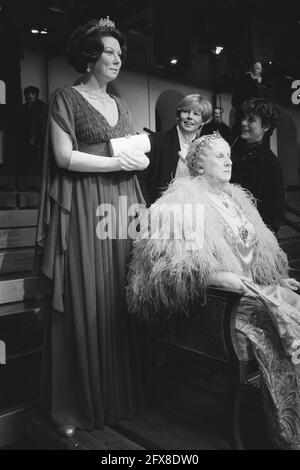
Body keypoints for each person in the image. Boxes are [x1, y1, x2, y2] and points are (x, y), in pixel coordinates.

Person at [126, 132, 300, 449]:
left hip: (255, 293)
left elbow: (259, 258)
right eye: (219, 156)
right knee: (292, 326)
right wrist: (218, 277)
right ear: (198, 163)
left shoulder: (238, 202)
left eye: (229, 155)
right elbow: (171, 269)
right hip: (220, 306)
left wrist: (277, 280)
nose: (229, 160)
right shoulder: (177, 206)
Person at [35, 17, 149, 437]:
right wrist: (118, 161)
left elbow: (135, 148)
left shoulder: (123, 105)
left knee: (117, 297)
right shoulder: (66, 97)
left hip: (121, 205)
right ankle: (77, 401)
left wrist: (137, 161)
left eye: (120, 54)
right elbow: (64, 157)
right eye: (109, 52)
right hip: (84, 204)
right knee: (87, 294)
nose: (117, 59)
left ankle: (116, 398)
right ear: (89, 56)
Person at [138, 94, 212, 206]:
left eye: (196, 114)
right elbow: (141, 179)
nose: (190, 117)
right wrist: (148, 209)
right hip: (158, 210)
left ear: (202, 122)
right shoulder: (157, 141)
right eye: (186, 111)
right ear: (178, 115)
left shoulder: (205, 150)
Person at [231, 98, 284, 234]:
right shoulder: (230, 150)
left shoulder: (271, 164)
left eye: (251, 120)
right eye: (243, 118)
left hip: (252, 236)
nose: (243, 123)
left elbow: (274, 214)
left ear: (265, 127)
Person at [231, 61, 265, 141]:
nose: (260, 71)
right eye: (257, 68)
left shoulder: (255, 81)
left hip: (250, 114)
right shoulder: (246, 80)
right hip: (246, 114)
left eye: (260, 69)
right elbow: (236, 100)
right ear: (251, 69)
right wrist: (257, 83)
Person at [20, 86, 46, 173]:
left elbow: (43, 124)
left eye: (32, 94)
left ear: (36, 95)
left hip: (37, 137)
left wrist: (37, 137)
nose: (30, 96)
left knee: (37, 160)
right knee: (26, 159)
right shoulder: (24, 107)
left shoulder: (42, 107)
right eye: (28, 94)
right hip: (25, 136)